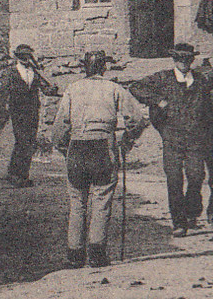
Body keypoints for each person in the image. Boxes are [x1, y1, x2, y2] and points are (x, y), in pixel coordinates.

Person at [50, 49, 148, 269]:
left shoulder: (73, 89)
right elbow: (139, 119)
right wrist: (127, 139)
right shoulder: (114, 88)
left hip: (77, 146)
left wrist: (63, 148)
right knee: (102, 200)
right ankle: (96, 254)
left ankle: (75, 255)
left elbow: (60, 127)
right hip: (103, 146)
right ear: (104, 67)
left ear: (85, 67)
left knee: (77, 203)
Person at [128, 42, 213, 237]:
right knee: (174, 180)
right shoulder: (163, 78)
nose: (184, 63)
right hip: (172, 138)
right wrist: (157, 100)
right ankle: (179, 222)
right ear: (174, 60)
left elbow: (211, 104)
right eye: (180, 59)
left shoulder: (201, 80)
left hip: (195, 139)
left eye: (187, 59)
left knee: (196, 176)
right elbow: (136, 87)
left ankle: (192, 211)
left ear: (192, 60)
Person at [0, 44, 58, 187]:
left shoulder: (34, 72)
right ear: (18, 56)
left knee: (30, 143)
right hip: (18, 112)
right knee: (22, 142)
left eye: (28, 55)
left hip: (33, 111)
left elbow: (45, 88)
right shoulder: (11, 72)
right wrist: (1, 111)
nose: (26, 58)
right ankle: (15, 174)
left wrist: (53, 89)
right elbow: (2, 93)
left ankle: (22, 175)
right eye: (23, 55)